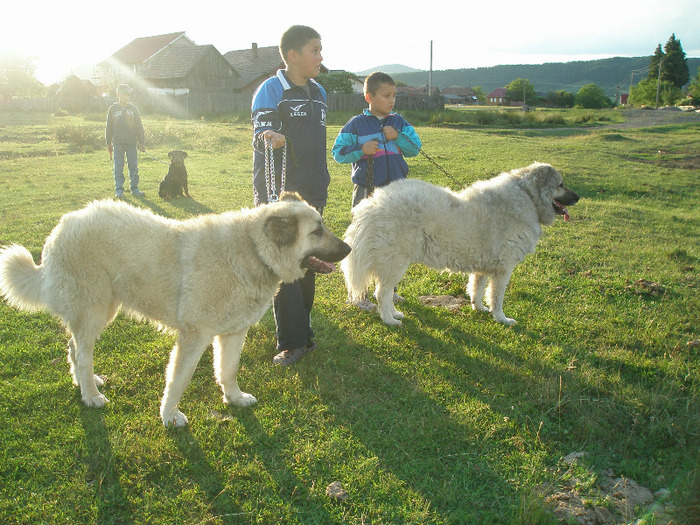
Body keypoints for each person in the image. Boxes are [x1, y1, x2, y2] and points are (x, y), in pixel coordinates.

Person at [251, 25, 330, 366]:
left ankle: (304, 335)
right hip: (281, 195)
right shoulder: (271, 90)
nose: (321, 56)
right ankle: (292, 342)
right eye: (315, 50)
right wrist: (271, 136)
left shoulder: (319, 91)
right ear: (293, 55)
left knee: (308, 260)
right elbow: (260, 134)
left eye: (321, 49)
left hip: (314, 191)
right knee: (286, 265)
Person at [332, 71, 422, 310]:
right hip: (367, 191)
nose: (392, 100)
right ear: (368, 96)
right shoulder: (355, 125)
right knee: (363, 239)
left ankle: (388, 290)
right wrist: (362, 149)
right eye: (386, 95)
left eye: (394, 95)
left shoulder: (399, 123)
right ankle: (358, 294)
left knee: (394, 241)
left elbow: (415, 148)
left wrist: (398, 137)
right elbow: (338, 153)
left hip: (396, 193)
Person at [106, 83, 146, 198]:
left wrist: (141, 142)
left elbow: (139, 126)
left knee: (133, 167)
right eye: (124, 94)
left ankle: (134, 189)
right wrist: (108, 143)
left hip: (131, 143)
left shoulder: (133, 109)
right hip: (118, 143)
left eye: (128, 94)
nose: (126, 97)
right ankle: (119, 190)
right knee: (118, 167)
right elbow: (109, 127)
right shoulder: (113, 109)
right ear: (118, 94)